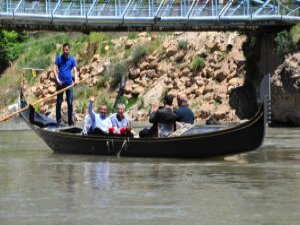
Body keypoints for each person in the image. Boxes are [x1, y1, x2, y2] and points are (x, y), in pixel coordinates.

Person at [54, 43, 78, 126]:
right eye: (64, 50)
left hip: (69, 84)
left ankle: (70, 121)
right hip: (60, 84)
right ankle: (58, 120)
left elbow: (75, 70)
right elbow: (54, 69)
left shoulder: (72, 59)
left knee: (70, 102)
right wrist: (57, 79)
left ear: (69, 50)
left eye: (66, 50)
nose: (65, 51)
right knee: (59, 102)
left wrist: (76, 79)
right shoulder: (59, 58)